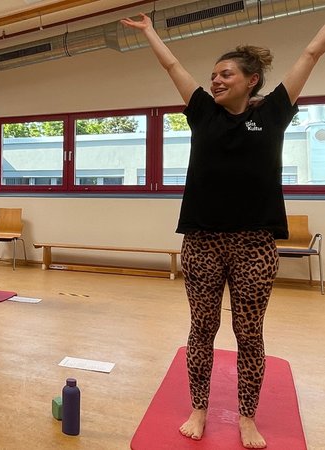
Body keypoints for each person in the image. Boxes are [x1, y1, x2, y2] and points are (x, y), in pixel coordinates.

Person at [122, 13, 325, 449]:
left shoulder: (272, 113)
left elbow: (310, 53)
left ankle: (247, 417)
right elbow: (174, 68)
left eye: (225, 74)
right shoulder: (202, 114)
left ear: (251, 80)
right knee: (202, 328)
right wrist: (150, 32)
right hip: (202, 241)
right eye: (212, 75)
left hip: (255, 243)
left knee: (249, 333)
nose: (215, 81)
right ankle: (199, 407)